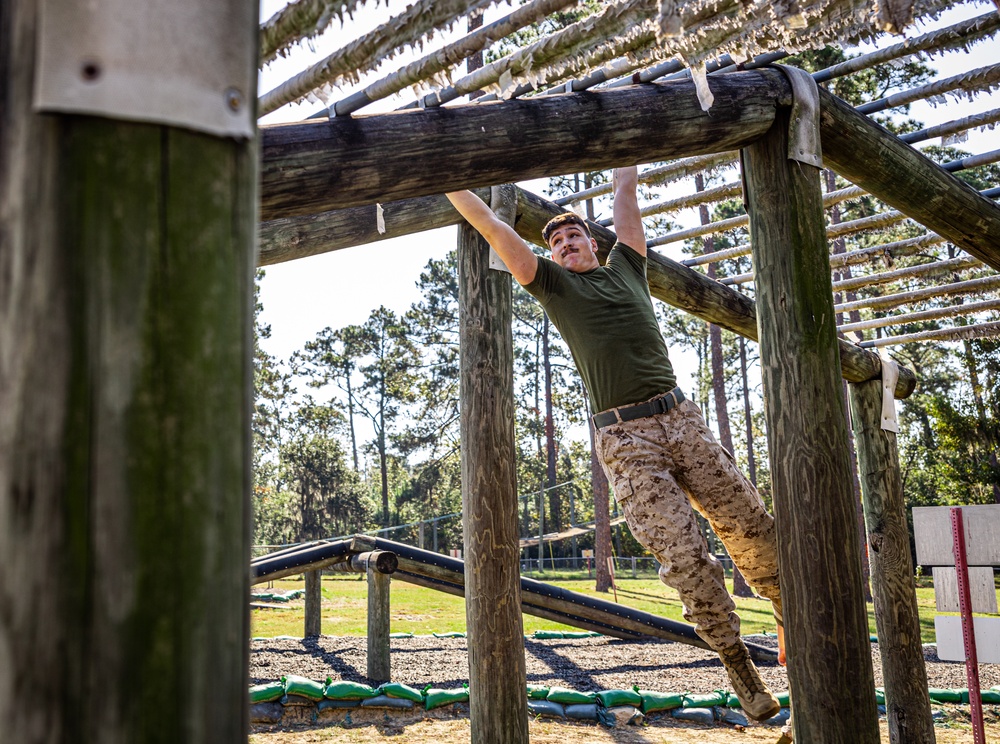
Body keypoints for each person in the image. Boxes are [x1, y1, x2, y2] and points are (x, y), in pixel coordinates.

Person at [445, 166, 785, 722]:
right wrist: (448, 178)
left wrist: (625, 155)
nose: (564, 243)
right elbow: (490, 225)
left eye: (573, 235)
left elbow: (625, 190)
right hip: (626, 439)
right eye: (555, 241)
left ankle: (786, 611)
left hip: (681, 417)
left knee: (749, 521)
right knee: (680, 551)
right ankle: (737, 663)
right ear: (551, 257)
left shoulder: (628, 266)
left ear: (593, 243)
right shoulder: (553, 285)